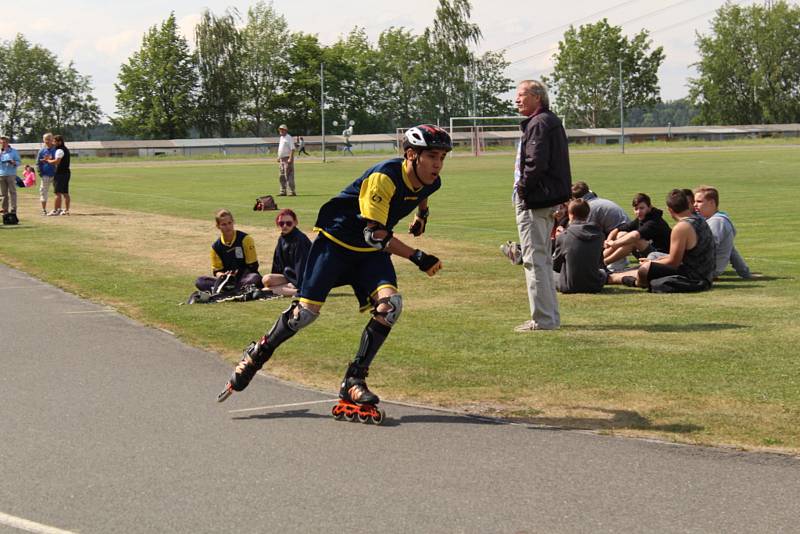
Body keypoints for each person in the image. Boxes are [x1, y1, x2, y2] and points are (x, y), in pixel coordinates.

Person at [217, 124, 451, 416]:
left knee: (391, 306)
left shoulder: (433, 180)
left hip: (369, 255)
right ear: (411, 155)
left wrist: (422, 216)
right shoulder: (384, 178)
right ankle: (258, 352)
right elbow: (375, 234)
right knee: (304, 314)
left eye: (442, 157)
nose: (438, 164)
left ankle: (354, 379)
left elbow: (423, 193)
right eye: (431, 156)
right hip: (337, 243)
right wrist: (417, 256)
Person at [512, 79, 572, 332]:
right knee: (543, 260)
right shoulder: (549, 121)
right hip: (548, 199)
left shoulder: (539, 123)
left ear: (537, 97)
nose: (516, 99)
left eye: (522, 94)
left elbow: (535, 162)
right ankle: (550, 317)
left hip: (536, 201)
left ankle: (543, 320)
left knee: (534, 260)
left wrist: (523, 189)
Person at [609, 189, 715, 292]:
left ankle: (621, 279)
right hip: (703, 274)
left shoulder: (681, 227)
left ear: (670, 210)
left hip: (694, 278)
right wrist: (655, 261)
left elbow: (673, 262)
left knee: (646, 268)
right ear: (688, 204)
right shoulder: (700, 220)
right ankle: (611, 275)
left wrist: (652, 263)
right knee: (652, 259)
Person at [195, 209, 263, 294]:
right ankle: (235, 290)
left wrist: (236, 275)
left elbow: (253, 266)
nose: (228, 227)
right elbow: (216, 271)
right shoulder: (216, 247)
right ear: (218, 226)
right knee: (200, 281)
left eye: (230, 223)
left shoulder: (246, 239)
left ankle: (228, 291)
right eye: (224, 224)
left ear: (233, 222)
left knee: (254, 277)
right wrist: (223, 276)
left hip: (245, 277)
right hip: (227, 280)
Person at [693, 186, 752, 279]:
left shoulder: (717, 222)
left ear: (712, 202)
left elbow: (708, 248)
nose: (695, 205)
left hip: (705, 270)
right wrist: (745, 273)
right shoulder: (711, 220)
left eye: (699, 201)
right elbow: (732, 251)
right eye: (694, 201)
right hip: (706, 269)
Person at [552, 199, 607, 293]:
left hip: (570, 285)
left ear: (571, 214)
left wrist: (559, 239)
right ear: (588, 214)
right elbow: (599, 263)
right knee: (602, 272)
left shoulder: (565, 236)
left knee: (547, 271)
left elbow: (556, 266)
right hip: (595, 285)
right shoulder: (599, 235)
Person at [602, 193, 672, 267]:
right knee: (622, 234)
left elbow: (635, 236)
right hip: (646, 253)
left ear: (649, 207)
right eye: (636, 209)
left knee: (634, 240)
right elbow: (618, 229)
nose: (638, 212)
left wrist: (615, 243)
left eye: (642, 208)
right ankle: (599, 259)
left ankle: (603, 263)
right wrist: (608, 241)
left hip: (661, 257)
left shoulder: (654, 221)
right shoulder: (641, 219)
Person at [262, 208, 312, 297]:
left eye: (289, 223)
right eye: (281, 223)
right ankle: (287, 288)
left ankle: (299, 291)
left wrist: (299, 284)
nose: (285, 226)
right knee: (266, 279)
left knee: (265, 290)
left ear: (295, 223)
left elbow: (302, 266)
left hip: (303, 278)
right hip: (289, 276)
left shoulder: (300, 240)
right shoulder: (282, 239)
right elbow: (277, 264)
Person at [43, 134, 71, 216]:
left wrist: (48, 161)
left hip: (60, 173)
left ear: (59, 142)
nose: (53, 143)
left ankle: (56, 210)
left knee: (57, 193)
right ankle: (66, 210)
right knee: (65, 193)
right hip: (66, 172)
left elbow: (57, 162)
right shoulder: (64, 149)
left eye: (54, 141)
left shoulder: (60, 150)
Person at [0, 135, 21, 216]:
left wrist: (13, 162)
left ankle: (13, 209)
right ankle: (4, 209)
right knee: (3, 194)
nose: (3, 144)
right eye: (1, 143)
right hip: (1, 174)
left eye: (4, 142)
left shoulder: (14, 151)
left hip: (11, 174)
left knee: (12, 192)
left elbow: (19, 162)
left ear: (8, 142)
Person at [37, 133, 57, 215]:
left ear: (52, 139)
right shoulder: (42, 151)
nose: (47, 141)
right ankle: (44, 210)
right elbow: (38, 163)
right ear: (43, 140)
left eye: (49, 139)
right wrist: (40, 173)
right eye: (46, 139)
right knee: (43, 192)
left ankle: (57, 209)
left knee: (58, 192)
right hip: (45, 174)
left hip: (56, 174)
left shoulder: (56, 149)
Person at [276, 124, 295, 196]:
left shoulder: (288, 137)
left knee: (289, 175)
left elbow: (292, 149)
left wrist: (290, 158)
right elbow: (281, 148)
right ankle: (283, 191)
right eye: (280, 129)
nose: (281, 130)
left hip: (287, 159)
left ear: (286, 130)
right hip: (282, 159)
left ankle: (292, 191)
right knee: (281, 175)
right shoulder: (281, 138)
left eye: (282, 129)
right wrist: (279, 157)